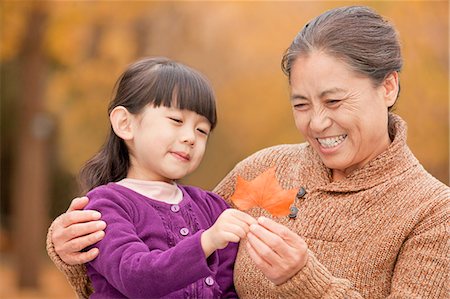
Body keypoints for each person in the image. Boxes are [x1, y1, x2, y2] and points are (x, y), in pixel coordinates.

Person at [47, 6, 449, 298]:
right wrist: (75, 251)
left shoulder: (433, 213)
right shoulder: (265, 167)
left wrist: (308, 282)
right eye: (301, 105)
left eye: (334, 101)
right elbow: (159, 260)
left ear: (389, 87)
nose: (317, 123)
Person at [51, 56, 257, 298]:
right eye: (176, 120)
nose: (191, 137)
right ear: (125, 123)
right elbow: (135, 277)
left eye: (202, 130)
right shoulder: (105, 206)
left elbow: (228, 288)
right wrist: (206, 242)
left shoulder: (211, 207)